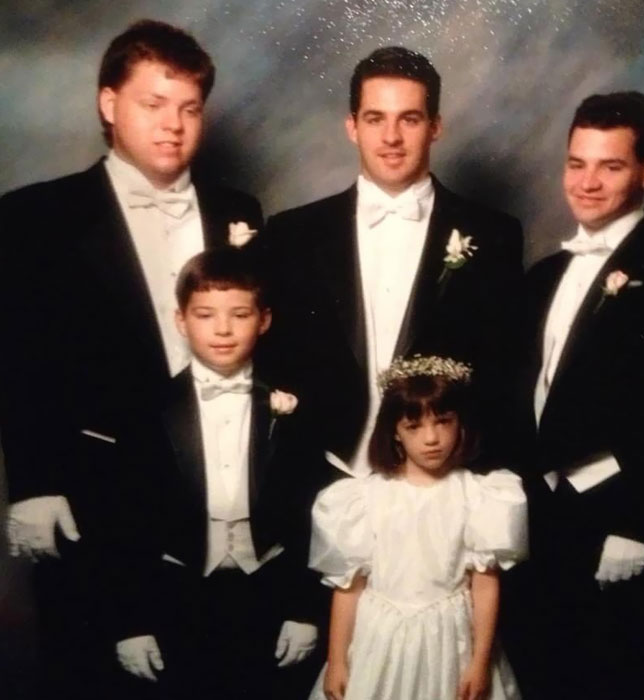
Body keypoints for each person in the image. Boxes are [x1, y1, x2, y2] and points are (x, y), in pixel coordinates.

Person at [0, 19, 262, 697]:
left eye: (190, 108)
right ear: (109, 104)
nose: (174, 125)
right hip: (92, 493)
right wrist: (31, 483)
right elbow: (17, 357)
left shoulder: (239, 210)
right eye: (153, 104)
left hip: (215, 495)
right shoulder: (34, 217)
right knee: (91, 676)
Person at [516, 92, 644, 699]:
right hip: (542, 519)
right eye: (576, 163)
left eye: (610, 166)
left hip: (622, 524)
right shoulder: (543, 274)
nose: (587, 182)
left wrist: (638, 524)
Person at [265, 46, 523, 477]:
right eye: (375, 119)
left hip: (443, 482)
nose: (391, 137)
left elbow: (501, 378)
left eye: (409, 118)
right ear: (351, 127)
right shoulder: (291, 234)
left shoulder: (494, 235)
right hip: (322, 478)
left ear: (435, 126)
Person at [105, 246, 331, 699]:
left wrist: (304, 611)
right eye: (205, 315)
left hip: (270, 591)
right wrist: (132, 624)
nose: (223, 329)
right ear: (180, 320)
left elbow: (315, 515)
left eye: (240, 314)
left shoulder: (294, 406)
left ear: (264, 320)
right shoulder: (145, 410)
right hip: (177, 594)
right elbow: (122, 524)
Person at [308, 355, 527, 700]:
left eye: (443, 422)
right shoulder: (365, 497)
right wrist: (337, 660)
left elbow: (485, 585)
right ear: (395, 432)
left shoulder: (480, 495)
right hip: (379, 638)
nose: (431, 438)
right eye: (414, 427)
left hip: (451, 641)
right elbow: (348, 588)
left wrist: (480, 661)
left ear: (460, 425)